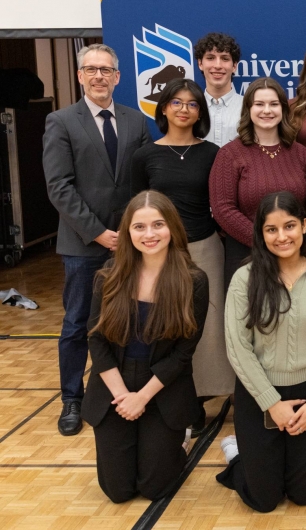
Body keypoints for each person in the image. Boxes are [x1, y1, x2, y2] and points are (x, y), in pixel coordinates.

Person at [43, 43, 151, 436]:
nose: (99, 76)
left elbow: (140, 183)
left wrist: (129, 233)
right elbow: (59, 187)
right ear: (80, 76)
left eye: (106, 70)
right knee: (76, 323)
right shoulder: (61, 121)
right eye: (91, 70)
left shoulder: (136, 121)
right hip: (83, 245)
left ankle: (117, 391)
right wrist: (99, 233)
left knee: (126, 321)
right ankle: (71, 398)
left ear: (118, 77)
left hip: (128, 243)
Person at [216, 191, 306, 512]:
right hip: (259, 394)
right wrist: (272, 405)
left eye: (289, 226)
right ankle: (237, 456)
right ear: (261, 233)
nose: (281, 236)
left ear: (304, 226)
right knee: (264, 500)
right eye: (271, 229)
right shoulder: (244, 279)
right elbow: (238, 348)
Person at [82, 190, 209, 502]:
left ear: (172, 229)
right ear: (127, 232)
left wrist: (142, 398)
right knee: (118, 490)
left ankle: (180, 440)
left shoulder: (194, 281)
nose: (149, 234)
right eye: (139, 227)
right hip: (116, 388)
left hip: (162, 387)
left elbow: (183, 352)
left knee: (155, 488)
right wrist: (124, 396)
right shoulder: (108, 276)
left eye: (158, 225)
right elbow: (96, 340)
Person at [132, 78, 233, 425]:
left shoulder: (212, 153)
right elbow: (135, 209)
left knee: (207, 326)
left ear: (200, 112)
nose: (184, 109)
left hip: (205, 247)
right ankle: (168, 393)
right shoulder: (145, 155)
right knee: (166, 324)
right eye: (176, 102)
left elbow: (220, 202)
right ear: (163, 108)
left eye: (192, 104)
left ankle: (202, 396)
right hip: (159, 253)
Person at [210, 77, 306, 287]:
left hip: (293, 257)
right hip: (245, 257)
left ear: (283, 110)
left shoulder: (301, 154)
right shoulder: (229, 155)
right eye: (259, 104)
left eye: (274, 104)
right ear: (248, 109)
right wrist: (266, 240)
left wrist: (289, 242)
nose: (267, 110)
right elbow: (223, 208)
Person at [195, 32, 242, 147]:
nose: (217, 65)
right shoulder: (191, 107)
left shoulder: (250, 107)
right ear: (200, 64)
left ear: (234, 66)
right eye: (210, 58)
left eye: (225, 59)